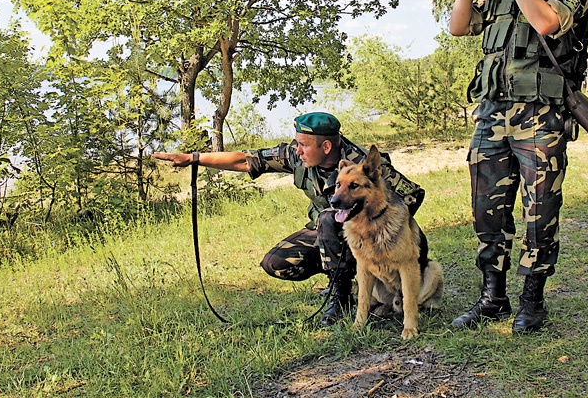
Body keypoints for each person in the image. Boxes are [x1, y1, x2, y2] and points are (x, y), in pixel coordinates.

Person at [448, 0, 588, 333]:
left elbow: (547, 21)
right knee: (487, 208)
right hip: (492, 113)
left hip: (541, 116)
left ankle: (533, 300)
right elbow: (459, 26)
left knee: (539, 208)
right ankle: (493, 297)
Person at [153, 112, 425, 326]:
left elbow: (412, 194)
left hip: (369, 235)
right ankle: (342, 276)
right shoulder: (296, 155)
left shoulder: (360, 164)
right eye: (297, 143)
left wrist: (378, 233)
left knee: (331, 220)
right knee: (278, 262)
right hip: (332, 233)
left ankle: (340, 296)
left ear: (326, 145)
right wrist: (194, 158)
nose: (297, 150)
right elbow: (246, 160)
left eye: (304, 145)